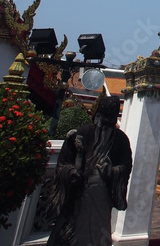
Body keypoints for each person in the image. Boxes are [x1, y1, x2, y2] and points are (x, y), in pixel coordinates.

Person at [47, 96, 133, 246]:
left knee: (98, 233)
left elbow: (126, 166)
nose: (106, 123)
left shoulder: (120, 140)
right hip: (80, 193)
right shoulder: (81, 134)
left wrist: (111, 171)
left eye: (110, 119)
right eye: (104, 118)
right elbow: (63, 163)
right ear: (97, 116)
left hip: (101, 197)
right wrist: (72, 172)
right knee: (72, 231)